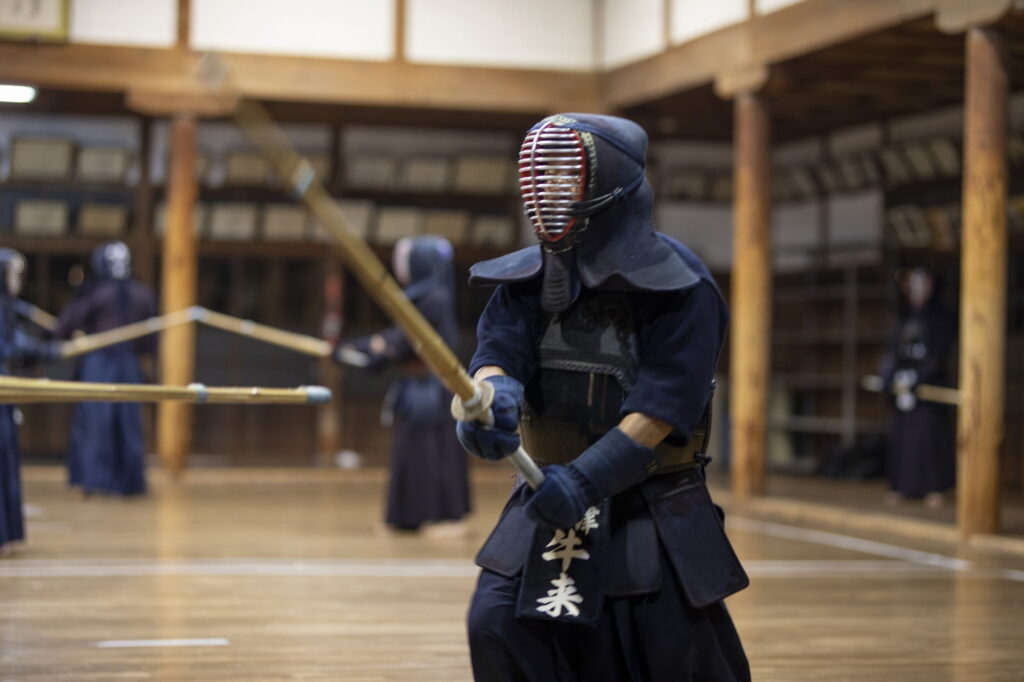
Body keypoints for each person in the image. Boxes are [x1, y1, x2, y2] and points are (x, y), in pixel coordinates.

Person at [454, 113, 750, 681]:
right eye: (545, 176)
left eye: (566, 174)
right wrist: (491, 400)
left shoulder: (683, 286)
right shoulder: (528, 279)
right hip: (547, 494)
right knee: (495, 624)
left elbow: (664, 406)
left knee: (667, 655)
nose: (550, 189)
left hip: (650, 501)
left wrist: (588, 480)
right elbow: (498, 353)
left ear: (607, 181)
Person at [336, 236, 471, 535]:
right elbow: (393, 341)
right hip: (416, 387)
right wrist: (349, 350)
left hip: (433, 389)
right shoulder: (423, 298)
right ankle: (408, 518)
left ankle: (446, 517)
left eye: (405, 259)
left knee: (432, 453)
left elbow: (397, 343)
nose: (399, 265)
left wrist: (361, 350)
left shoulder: (434, 299)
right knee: (411, 452)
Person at [54, 242, 157, 497]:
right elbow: (150, 343)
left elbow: (64, 326)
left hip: (99, 364)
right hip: (129, 364)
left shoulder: (95, 292)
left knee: (97, 422)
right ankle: (128, 484)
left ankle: (96, 481)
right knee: (127, 422)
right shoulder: (143, 293)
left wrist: (65, 334)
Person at [0, 249, 60, 555]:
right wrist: (51, 351)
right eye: (13, 273)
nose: (17, 280)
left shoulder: (10, 307)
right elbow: (9, 346)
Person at [880, 267, 955, 508]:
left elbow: (939, 356)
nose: (918, 291)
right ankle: (901, 486)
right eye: (914, 285)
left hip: (928, 388)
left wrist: (918, 377)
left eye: (923, 285)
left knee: (929, 438)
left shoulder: (941, 317)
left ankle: (935, 488)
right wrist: (891, 376)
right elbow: (892, 352)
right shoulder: (903, 316)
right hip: (903, 387)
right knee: (902, 439)